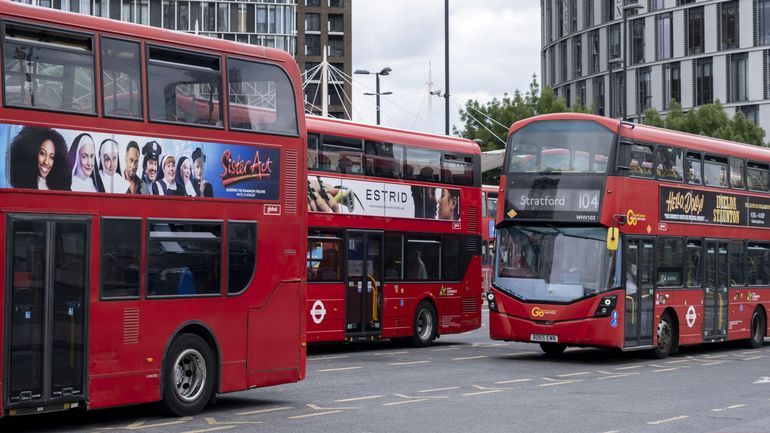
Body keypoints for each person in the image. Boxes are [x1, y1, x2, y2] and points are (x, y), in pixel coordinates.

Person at [9, 126, 71, 191]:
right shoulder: (19, 185)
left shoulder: (61, 186)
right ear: (32, 154)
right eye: (42, 153)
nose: (46, 162)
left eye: (52, 157)